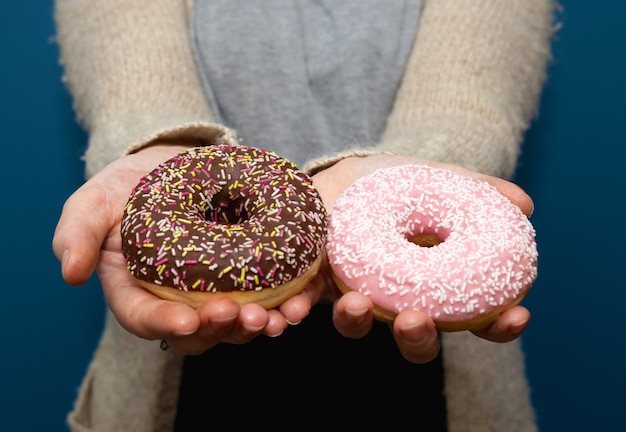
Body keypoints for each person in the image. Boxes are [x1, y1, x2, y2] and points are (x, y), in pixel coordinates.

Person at [52, 1, 556, 431]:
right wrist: (158, 145)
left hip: (434, 347)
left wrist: (410, 173)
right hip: (179, 360)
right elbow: (131, 68)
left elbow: (468, 93)